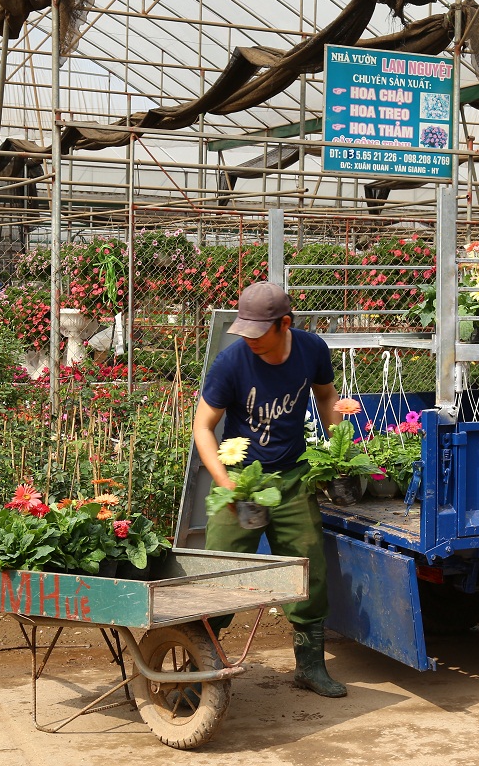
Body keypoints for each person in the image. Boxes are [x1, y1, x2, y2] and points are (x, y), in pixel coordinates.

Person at [193, 281, 346, 698]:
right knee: (218, 571)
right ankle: (197, 668)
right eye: (245, 330)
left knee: (308, 567)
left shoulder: (312, 350)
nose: (251, 340)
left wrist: (336, 451)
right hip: (243, 482)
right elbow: (203, 427)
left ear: (285, 324)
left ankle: (310, 667)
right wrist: (227, 483)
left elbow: (326, 395)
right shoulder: (231, 362)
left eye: (259, 332)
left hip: (293, 479)